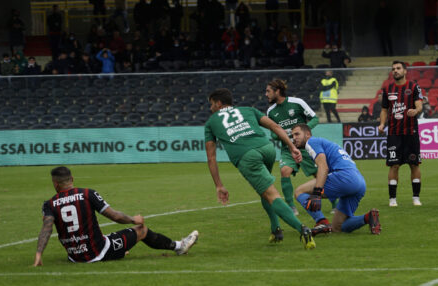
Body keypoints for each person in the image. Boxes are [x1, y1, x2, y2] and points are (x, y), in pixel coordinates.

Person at [203, 88, 315, 249]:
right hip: (267, 149)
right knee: (265, 191)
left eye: (212, 104)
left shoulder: (211, 122)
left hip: (247, 156)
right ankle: (276, 230)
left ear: (219, 103)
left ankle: (302, 229)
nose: (210, 108)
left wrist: (219, 185)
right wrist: (292, 147)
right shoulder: (249, 110)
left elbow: (211, 157)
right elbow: (276, 127)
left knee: (271, 194)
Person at [33, 166, 198, 266]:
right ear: (72, 179)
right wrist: (134, 219)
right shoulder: (87, 194)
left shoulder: (49, 204)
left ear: (55, 183)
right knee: (141, 230)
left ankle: (119, 250)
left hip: (75, 256)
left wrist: (39, 254)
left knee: (107, 238)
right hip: (98, 252)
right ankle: (179, 246)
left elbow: (46, 229)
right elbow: (115, 217)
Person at [291, 124, 381, 235]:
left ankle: (321, 221)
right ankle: (368, 217)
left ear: (308, 134)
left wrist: (317, 193)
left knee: (299, 191)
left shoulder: (311, 142)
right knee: (337, 227)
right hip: (359, 182)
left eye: (297, 134)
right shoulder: (324, 143)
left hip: (344, 177)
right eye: (292, 135)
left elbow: (323, 167)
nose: (294, 138)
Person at [265, 79, 325, 222]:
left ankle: (335, 202)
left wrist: (302, 131)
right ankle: (291, 206)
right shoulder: (271, 112)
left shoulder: (297, 102)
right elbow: (273, 133)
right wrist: (283, 135)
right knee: (285, 171)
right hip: (288, 148)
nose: (266, 94)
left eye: (268, 91)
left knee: (319, 176)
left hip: (305, 147)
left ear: (277, 91)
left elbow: (314, 119)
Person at [378, 60, 424, 207]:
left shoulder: (413, 86)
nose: (395, 71)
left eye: (398, 68)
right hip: (394, 133)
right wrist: (382, 124)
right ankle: (392, 199)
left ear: (405, 71)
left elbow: (419, 105)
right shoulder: (387, 89)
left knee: (414, 164)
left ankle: (416, 198)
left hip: (411, 132)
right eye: (393, 69)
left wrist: (416, 111)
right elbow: (384, 109)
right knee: (394, 165)